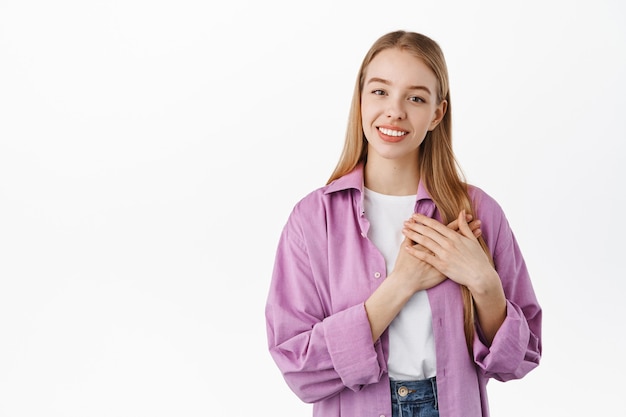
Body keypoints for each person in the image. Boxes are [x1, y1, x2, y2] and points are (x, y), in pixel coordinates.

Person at [265, 30, 542, 417]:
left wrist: (484, 282)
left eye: (415, 98)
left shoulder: (478, 213)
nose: (395, 110)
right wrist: (403, 282)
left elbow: (519, 360)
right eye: (380, 92)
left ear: (437, 114)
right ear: (360, 99)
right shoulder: (313, 220)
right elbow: (299, 369)